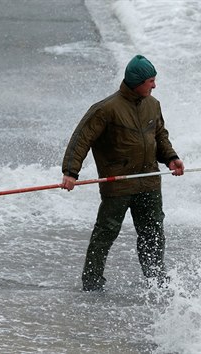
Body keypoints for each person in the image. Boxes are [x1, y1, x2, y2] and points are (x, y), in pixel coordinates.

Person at [61, 55, 184, 292]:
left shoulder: (153, 104)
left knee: (153, 232)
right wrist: (70, 172)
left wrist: (171, 158)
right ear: (137, 82)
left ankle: (155, 280)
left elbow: (160, 136)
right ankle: (92, 282)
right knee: (105, 233)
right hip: (119, 184)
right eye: (150, 81)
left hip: (148, 181)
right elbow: (81, 140)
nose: (154, 85)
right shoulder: (105, 109)